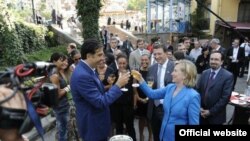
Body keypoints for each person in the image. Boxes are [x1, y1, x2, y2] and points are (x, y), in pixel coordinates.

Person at [70, 38, 130, 141]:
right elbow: (100, 102)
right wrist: (118, 85)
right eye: (99, 55)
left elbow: (98, 93)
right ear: (89, 56)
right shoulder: (82, 75)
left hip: (97, 124)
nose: (103, 58)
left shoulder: (88, 70)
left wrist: (111, 85)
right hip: (93, 127)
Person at [132, 60, 200, 141]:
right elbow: (152, 94)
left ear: (185, 75)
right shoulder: (170, 87)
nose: (172, 73)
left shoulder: (193, 96)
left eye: (175, 71)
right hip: (163, 135)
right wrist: (140, 79)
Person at [147, 44, 175, 141]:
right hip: (154, 107)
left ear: (166, 53)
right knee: (156, 135)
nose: (157, 56)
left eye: (159, 54)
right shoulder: (151, 68)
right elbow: (149, 86)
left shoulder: (174, 67)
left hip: (168, 107)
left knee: (167, 136)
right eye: (155, 54)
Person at [196, 51, 234, 124]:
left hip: (216, 116)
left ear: (222, 62)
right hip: (200, 113)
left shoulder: (228, 76)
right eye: (211, 59)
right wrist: (199, 107)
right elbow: (197, 91)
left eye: (216, 59)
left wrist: (210, 112)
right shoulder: (204, 73)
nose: (213, 61)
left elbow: (225, 98)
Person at [133, 54, 153, 141]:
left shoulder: (152, 71)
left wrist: (147, 99)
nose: (144, 61)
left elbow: (153, 86)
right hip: (140, 99)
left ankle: (150, 137)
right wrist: (138, 98)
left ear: (149, 60)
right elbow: (134, 87)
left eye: (146, 60)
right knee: (141, 119)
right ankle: (141, 136)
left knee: (149, 119)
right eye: (142, 60)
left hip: (150, 98)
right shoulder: (137, 72)